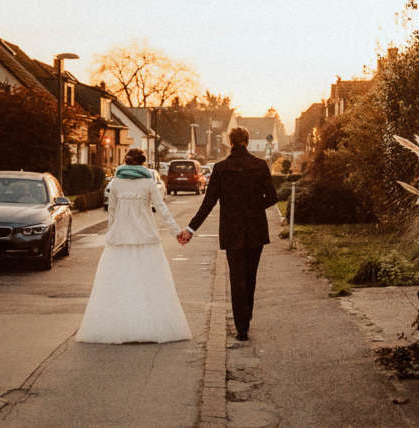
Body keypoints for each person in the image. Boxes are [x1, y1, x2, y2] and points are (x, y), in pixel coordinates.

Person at [75, 148, 191, 344]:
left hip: (120, 239)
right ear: (142, 164)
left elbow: (111, 212)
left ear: (126, 162)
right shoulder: (148, 182)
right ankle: (149, 325)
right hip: (146, 238)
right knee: (149, 282)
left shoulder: (116, 183)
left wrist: (113, 233)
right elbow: (161, 208)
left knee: (118, 283)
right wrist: (176, 231)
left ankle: (117, 325)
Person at [178, 127, 278, 341]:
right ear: (247, 142)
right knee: (250, 276)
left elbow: (209, 203)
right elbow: (272, 197)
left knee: (236, 277)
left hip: (232, 230)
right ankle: (247, 317)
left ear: (230, 143)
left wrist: (191, 229)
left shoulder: (221, 168)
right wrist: (254, 206)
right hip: (256, 229)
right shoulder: (260, 166)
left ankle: (241, 327)